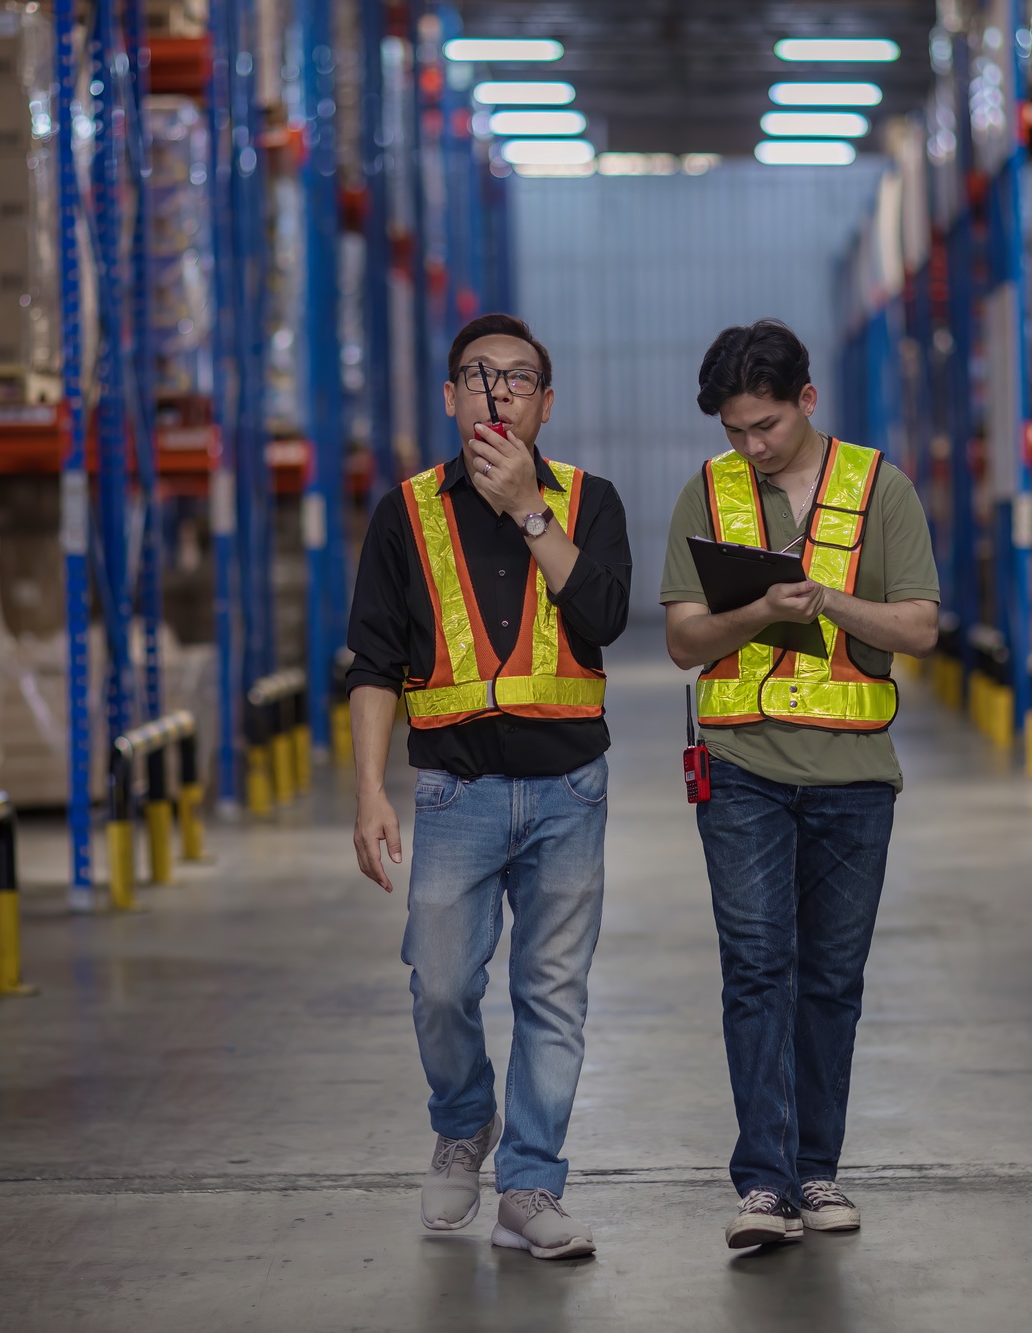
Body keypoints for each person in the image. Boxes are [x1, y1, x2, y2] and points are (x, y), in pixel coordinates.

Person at [346, 313, 631, 1260]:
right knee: (438, 982)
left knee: (553, 991)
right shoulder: (406, 513)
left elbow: (601, 616)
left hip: (567, 791)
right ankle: (464, 1123)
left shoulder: (590, 502)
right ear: (449, 398)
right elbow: (375, 662)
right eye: (478, 377)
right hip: (454, 792)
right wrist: (370, 791)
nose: (497, 393)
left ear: (546, 404)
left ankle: (532, 1186)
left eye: (517, 379)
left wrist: (528, 511)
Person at [660, 319, 940, 1250]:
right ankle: (766, 1184)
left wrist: (825, 600)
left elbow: (919, 628)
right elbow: (682, 642)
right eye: (737, 429)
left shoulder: (880, 489)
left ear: (807, 401)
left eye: (767, 424)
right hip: (741, 768)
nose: (751, 445)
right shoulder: (708, 492)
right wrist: (753, 612)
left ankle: (818, 1169)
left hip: (855, 777)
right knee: (757, 971)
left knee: (830, 979)